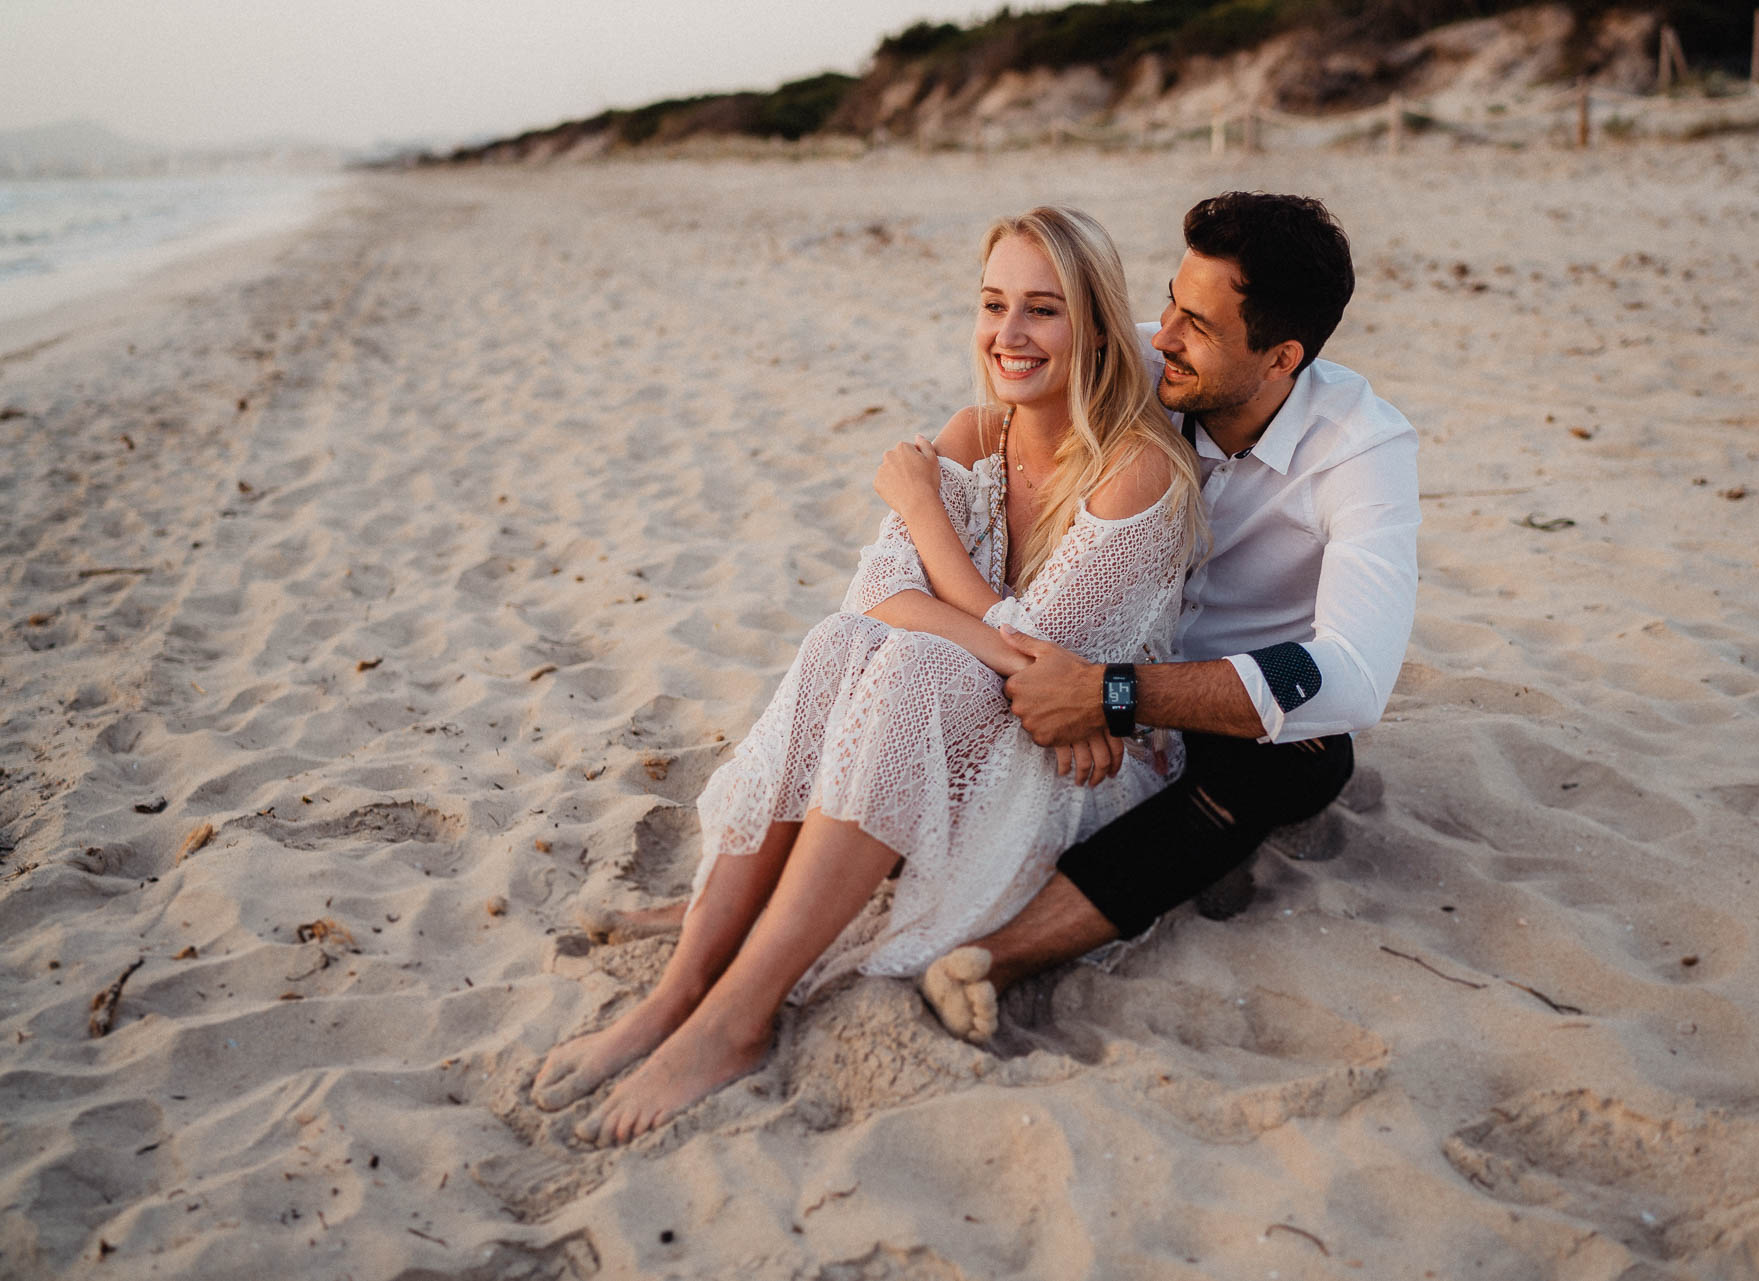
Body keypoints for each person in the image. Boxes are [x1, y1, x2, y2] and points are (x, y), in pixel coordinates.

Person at [530, 206, 1205, 1144]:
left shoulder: (1136, 471)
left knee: (917, 665)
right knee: (840, 646)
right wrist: (943, 600)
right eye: (993, 304)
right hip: (985, 714)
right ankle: (681, 987)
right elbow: (877, 597)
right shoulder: (976, 430)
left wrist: (926, 517)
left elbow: (1044, 673)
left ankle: (736, 1019)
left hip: (1088, 766)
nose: (1009, 335)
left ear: (1095, 327)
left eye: (1042, 310)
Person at [918, 192, 1421, 1044]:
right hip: (1059, 649)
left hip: (1205, 700)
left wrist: (1113, 695)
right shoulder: (1143, 380)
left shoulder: (1361, 449)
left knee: (1309, 760)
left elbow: (1356, 674)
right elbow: (1004, 431)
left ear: (1281, 357)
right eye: (1168, 303)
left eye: (1197, 326)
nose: (1160, 338)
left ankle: (999, 955)